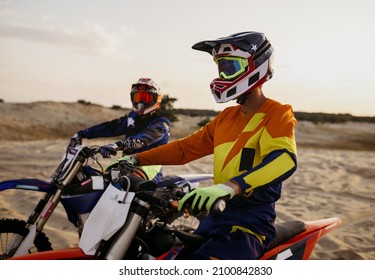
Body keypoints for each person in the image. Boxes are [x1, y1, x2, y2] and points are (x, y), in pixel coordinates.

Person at [129, 31, 298, 259]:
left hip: (250, 224)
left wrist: (232, 186)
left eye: (230, 67)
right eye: (221, 67)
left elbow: (284, 160)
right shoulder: (226, 118)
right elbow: (184, 149)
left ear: (255, 65)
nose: (223, 74)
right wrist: (136, 159)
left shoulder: (277, 113)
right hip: (215, 217)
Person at [70, 77, 171, 181]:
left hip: (149, 167)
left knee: (126, 184)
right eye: (138, 97)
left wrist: (117, 145)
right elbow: (111, 127)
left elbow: (143, 139)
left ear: (156, 99)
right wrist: (83, 133)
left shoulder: (161, 123)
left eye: (145, 98)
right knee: (99, 180)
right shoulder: (132, 118)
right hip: (127, 163)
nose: (141, 102)